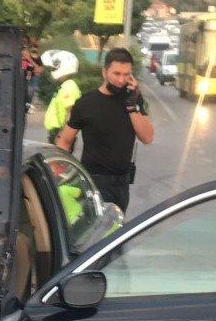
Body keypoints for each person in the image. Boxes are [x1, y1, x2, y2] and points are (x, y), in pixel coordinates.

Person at [56, 48, 155, 213]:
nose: (121, 80)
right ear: (104, 72)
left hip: (122, 184)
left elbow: (147, 137)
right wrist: (61, 173)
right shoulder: (86, 103)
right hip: (94, 182)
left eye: (126, 75)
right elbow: (65, 140)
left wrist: (132, 106)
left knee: (118, 232)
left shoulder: (133, 100)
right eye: (116, 74)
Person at [42, 50, 81, 143]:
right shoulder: (64, 85)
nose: (51, 71)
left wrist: (62, 135)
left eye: (53, 69)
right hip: (56, 132)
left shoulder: (69, 86)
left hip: (60, 133)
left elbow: (71, 112)